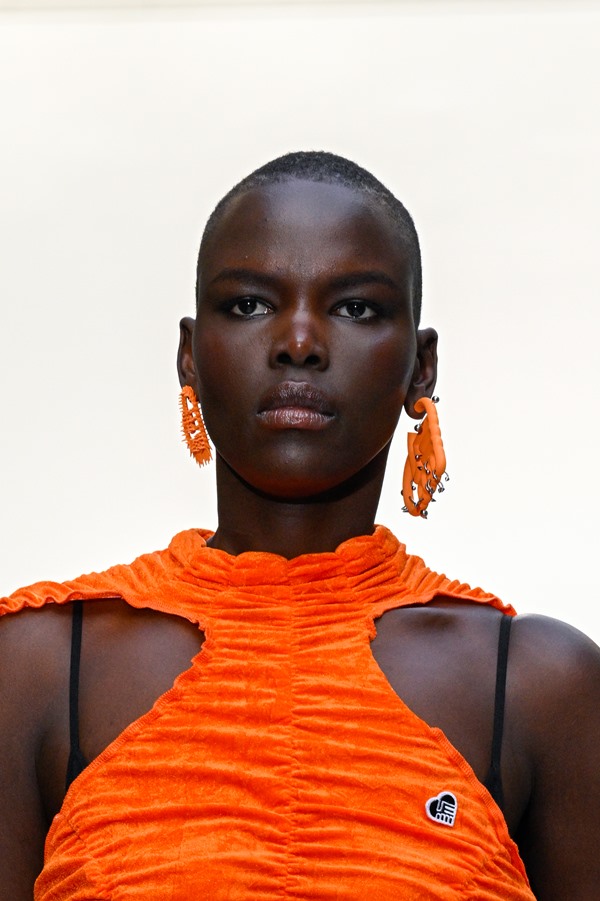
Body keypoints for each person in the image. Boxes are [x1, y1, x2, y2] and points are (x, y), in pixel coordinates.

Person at [1, 151, 599, 901]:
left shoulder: (541, 686)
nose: (300, 342)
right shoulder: (37, 667)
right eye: (249, 303)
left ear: (421, 366)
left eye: (356, 307)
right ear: (189, 355)